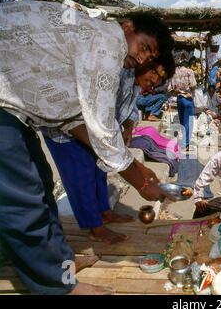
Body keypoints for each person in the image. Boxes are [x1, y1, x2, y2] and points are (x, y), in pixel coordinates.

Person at [0, 1, 175, 295]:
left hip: (13, 108)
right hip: (4, 105)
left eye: (149, 55)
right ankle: (59, 286)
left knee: (40, 184)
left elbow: (78, 121)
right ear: (127, 27)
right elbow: (102, 129)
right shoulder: (108, 41)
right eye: (144, 47)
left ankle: (56, 264)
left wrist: (138, 168)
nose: (140, 58)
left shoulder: (91, 38)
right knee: (24, 200)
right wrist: (142, 182)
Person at [42, 56, 175, 245]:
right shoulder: (118, 73)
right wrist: (141, 180)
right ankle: (95, 228)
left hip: (96, 133)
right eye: (153, 72)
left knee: (99, 172)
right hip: (68, 131)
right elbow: (107, 140)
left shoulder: (134, 82)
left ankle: (105, 213)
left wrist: (128, 125)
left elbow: (127, 111)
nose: (154, 80)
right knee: (82, 178)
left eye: (159, 79)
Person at [168, 61, 197, 151]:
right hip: (188, 99)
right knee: (188, 122)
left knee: (183, 121)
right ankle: (185, 144)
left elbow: (170, 88)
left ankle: (184, 142)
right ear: (187, 65)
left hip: (179, 99)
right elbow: (193, 85)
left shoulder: (175, 72)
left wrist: (178, 90)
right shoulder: (189, 71)